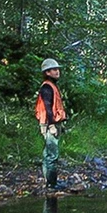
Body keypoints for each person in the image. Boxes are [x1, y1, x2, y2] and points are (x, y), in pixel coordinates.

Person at [35, 58, 67, 189]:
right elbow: (48, 108)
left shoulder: (51, 86)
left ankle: (49, 182)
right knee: (52, 155)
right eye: (54, 70)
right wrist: (52, 125)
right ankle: (51, 184)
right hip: (50, 124)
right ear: (47, 72)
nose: (57, 71)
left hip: (51, 123)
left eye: (58, 69)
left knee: (47, 154)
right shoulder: (47, 87)